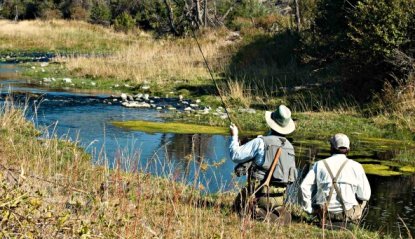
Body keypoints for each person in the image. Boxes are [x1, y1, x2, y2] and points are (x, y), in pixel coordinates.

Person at [229, 105, 297, 222]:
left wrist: (234, 136)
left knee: (237, 205)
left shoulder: (260, 142)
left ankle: (253, 211)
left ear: (272, 123)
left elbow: (235, 155)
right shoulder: (290, 148)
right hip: (278, 203)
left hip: (258, 198)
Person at [300, 133, 371, 227]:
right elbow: (365, 196)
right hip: (347, 214)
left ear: (332, 148)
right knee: (363, 199)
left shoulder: (319, 164)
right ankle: (352, 223)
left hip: (323, 213)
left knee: (314, 190)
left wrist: (309, 210)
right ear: (348, 150)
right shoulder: (357, 166)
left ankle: (321, 219)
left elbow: (304, 187)